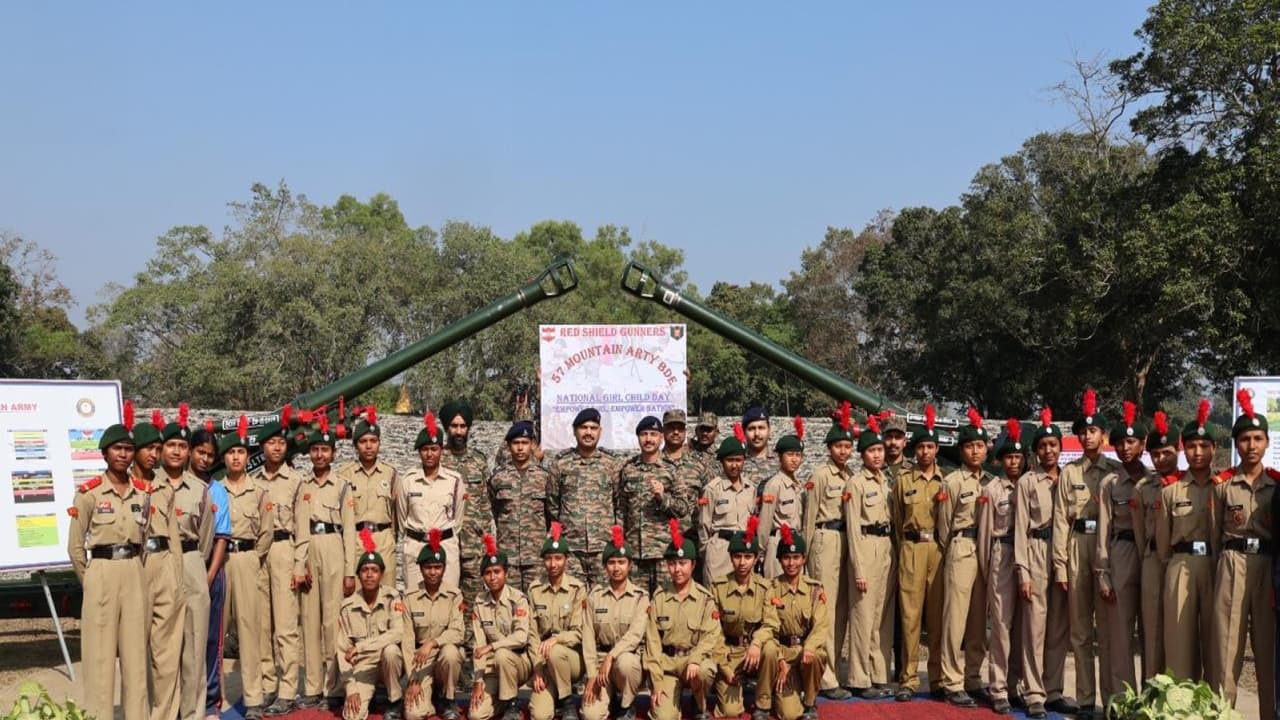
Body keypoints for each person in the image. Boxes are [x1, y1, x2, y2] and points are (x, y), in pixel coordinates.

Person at [67, 405, 148, 720]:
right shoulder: (88, 494)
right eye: (117, 448)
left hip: (133, 570)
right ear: (105, 453)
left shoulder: (142, 494)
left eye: (128, 449)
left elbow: (144, 539)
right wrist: (90, 579)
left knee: (135, 655)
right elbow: (75, 547)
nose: (124, 454)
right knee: (99, 656)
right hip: (101, 571)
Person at [1053, 390, 1118, 719]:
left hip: (1107, 550)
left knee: (1107, 632)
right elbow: (1060, 521)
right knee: (1080, 632)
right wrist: (1060, 566)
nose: (1087, 436)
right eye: (1082, 431)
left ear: (1103, 435)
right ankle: (1085, 700)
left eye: (1093, 431)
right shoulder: (1069, 472)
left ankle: (1111, 699)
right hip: (1078, 546)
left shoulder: (1116, 471)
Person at [1211, 390, 1276, 716]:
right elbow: (1213, 533)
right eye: (1245, 439)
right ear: (1236, 444)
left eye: (1257, 439)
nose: (1251, 445)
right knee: (1227, 651)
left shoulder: (1276, 485)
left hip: (1266, 567)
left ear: (1267, 443)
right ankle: (1224, 714)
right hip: (1231, 564)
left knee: (1267, 651)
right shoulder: (1222, 485)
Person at [294, 417, 357, 709]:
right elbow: (300, 528)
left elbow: (349, 531)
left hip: (333, 547)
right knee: (309, 620)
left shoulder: (342, 486)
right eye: (315, 450)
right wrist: (300, 564)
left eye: (325, 450)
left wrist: (349, 571)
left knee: (333, 620)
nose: (319, 455)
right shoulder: (303, 486)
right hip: (310, 548)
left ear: (333, 453)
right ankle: (311, 685)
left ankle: (333, 686)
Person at [1156, 398, 1218, 687]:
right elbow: (1162, 543)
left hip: (1215, 566)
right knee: (1179, 643)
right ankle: (1180, 702)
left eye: (1204, 446)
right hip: (1180, 565)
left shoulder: (1223, 487)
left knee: (1216, 642)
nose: (1198, 452)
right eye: (1192, 446)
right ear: (1184, 450)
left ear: (1214, 448)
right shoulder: (1171, 490)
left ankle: (1215, 704)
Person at [161, 406, 216, 720]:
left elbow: (206, 536)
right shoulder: (147, 486)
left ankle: (193, 711)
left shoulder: (200, 490)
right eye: (171, 445)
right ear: (162, 448)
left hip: (191, 561)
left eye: (182, 446)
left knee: (194, 644)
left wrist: (195, 563)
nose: (177, 451)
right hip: (160, 563)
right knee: (163, 644)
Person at [220, 416, 273, 719]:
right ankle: (213, 697)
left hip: (248, 560)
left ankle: (253, 697)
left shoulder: (259, 491)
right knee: (216, 631)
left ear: (247, 456)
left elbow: (266, 533)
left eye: (241, 452)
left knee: (250, 630)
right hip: (220, 561)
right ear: (224, 458)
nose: (237, 457)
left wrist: (254, 558)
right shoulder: (215, 491)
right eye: (231, 453)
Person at [134, 411, 186, 720]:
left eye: (157, 449)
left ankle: (164, 714)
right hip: (136, 567)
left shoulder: (165, 489)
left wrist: (177, 577)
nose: (154, 455)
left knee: (167, 652)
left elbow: (175, 538)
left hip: (165, 564)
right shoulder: (124, 487)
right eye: (148, 449)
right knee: (136, 651)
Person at [800, 404, 855, 700]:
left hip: (846, 541)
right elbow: (809, 517)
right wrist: (806, 555)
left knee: (842, 610)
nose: (843, 451)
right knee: (827, 610)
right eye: (838, 446)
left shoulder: (852, 476)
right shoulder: (820, 475)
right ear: (829, 448)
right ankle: (826, 675)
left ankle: (834, 667)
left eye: (847, 446)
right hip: (825, 540)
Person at [937, 407, 990, 708]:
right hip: (960, 546)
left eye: (979, 446)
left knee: (978, 620)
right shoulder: (953, 481)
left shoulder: (990, 482)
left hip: (985, 549)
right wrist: (952, 550)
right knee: (955, 619)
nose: (975, 451)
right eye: (969, 446)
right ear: (961, 450)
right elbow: (944, 526)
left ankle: (973, 677)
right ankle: (952, 681)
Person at [1097, 402, 1148, 710]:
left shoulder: (1154, 481)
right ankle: (1122, 704)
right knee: (1120, 636)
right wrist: (1103, 573)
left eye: (1131, 441)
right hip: (1121, 555)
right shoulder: (1110, 484)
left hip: (1150, 557)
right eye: (1119, 443)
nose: (1125, 448)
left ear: (1143, 444)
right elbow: (1103, 530)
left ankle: (1151, 701)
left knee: (1152, 634)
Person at [892, 405, 946, 702]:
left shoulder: (945, 481)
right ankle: (909, 678)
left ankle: (936, 678)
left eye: (930, 447)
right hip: (911, 548)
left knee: (936, 618)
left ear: (937, 449)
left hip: (936, 550)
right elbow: (897, 520)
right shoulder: (903, 481)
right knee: (910, 618)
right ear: (915, 450)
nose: (925, 452)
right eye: (921, 447)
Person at [253, 410, 304, 716]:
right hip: (259, 555)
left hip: (285, 549)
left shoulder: (296, 481)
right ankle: (267, 684)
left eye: (281, 443)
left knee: (285, 626)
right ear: (262, 447)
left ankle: (287, 690)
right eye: (271, 443)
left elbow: (303, 528)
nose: (276, 448)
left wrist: (299, 565)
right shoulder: (252, 481)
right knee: (262, 624)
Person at [645, 520, 722, 720]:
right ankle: (673, 699)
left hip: (693, 662)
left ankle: (699, 702)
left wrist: (695, 659)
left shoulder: (705, 599)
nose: (677, 569)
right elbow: (652, 643)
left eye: (682, 563)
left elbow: (711, 637)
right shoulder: (659, 598)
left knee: (704, 671)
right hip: (668, 666)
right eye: (672, 564)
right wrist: (656, 682)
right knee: (663, 717)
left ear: (693, 565)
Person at [843, 414, 894, 698]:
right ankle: (859, 678)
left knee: (880, 617)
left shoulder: (885, 481)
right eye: (871, 451)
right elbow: (852, 529)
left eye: (880, 450)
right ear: (862, 454)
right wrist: (858, 569)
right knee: (862, 617)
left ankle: (877, 674)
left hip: (885, 548)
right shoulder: (856, 483)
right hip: (865, 546)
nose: (877, 455)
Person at [710, 517, 780, 720]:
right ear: (731, 558)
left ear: (756, 559)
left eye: (748, 557)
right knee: (730, 712)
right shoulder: (718, 588)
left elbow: (771, 623)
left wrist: (756, 643)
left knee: (770, 649)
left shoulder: (765, 587)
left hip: (755, 651)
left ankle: (763, 702)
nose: (742, 562)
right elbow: (713, 631)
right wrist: (724, 667)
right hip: (730, 653)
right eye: (737, 556)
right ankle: (728, 683)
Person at [979, 419, 1026, 715]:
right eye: (1009, 457)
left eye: (1018, 457)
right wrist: (988, 570)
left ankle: (1014, 684)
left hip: (1028, 556)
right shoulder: (992, 489)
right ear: (1001, 460)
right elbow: (985, 534)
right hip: (1002, 553)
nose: (1014, 462)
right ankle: (997, 688)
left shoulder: (1030, 484)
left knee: (1023, 626)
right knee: (1001, 625)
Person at [581, 526, 650, 720]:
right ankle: (608, 698)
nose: (616, 568)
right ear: (605, 566)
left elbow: (635, 635)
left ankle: (626, 705)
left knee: (626, 663)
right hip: (600, 663)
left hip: (626, 661)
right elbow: (588, 637)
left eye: (621, 562)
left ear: (630, 565)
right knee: (590, 715)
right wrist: (592, 674)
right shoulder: (595, 596)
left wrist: (612, 656)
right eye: (611, 562)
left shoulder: (640, 597)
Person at [547, 408, 620, 587]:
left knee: (604, 597)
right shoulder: (561, 464)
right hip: (571, 547)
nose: (588, 432)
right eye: (583, 428)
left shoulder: (611, 465)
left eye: (593, 428)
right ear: (574, 431)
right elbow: (552, 503)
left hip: (603, 546)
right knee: (572, 597)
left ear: (600, 431)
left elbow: (619, 502)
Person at [617, 416, 690, 593]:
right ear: (638, 437)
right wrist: (621, 544)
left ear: (661, 437)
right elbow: (621, 509)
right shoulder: (628, 469)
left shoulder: (671, 469)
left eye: (653, 434)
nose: (648, 439)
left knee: (664, 601)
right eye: (644, 434)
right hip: (635, 553)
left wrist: (663, 498)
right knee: (637, 602)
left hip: (663, 552)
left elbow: (683, 508)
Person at [338, 531, 406, 720]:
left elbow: (398, 633)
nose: (369, 575)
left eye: (374, 570)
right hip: (363, 667)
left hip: (388, 664)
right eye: (365, 570)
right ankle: (369, 695)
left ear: (382, 574)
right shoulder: (348, 606)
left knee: (391, 651)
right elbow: (342, 650)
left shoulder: (392, 597)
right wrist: (351, 688)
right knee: (352, 716)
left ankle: (394, 701)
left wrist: (361, 647)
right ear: (358, 575)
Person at [1133, 410, 1178, 684]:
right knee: (1151, 628)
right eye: (1156, 455)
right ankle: (1151, 690)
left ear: (1177, 450)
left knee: (1180, 629)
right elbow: (1139, 532)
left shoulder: (1188, 484)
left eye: (1166, 453)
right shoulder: (1143, 488)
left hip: (1180, 560)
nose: (1161, 459)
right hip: (1151, 560)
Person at [189, 422, 231, 720]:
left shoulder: (217, 491)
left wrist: (210, 575)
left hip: (210, 572)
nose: (204, 459)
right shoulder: (172, 485)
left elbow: (222, 538)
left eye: (209, 455)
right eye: (200, 452)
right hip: (181, 571)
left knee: (211, 639)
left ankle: (210, 702)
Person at [438, 400, 494, 619]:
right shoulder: (438, 459)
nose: (459, 431)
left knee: (474, 599)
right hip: (445, 540)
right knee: (444, 596)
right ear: (447, 428)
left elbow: (486, 502)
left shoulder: (479, 461)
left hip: (474, 542)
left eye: (463, 426)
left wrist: (487, 539)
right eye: (454, 426)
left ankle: (471, 638)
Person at [402, 530, 466, 720]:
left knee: (451, 653)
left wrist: (432, 643)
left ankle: (448, 699)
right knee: (413, 715)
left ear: (444, 569)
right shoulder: (410, 597)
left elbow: (458, 632)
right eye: (428, 567)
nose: (432, 572)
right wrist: (413, 678)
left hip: (443, 655)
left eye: (437, 567)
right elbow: (407, 639)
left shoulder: (454, 595)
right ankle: (430, 697)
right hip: (420, 661)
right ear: (421, 569)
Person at [527, 523, 588, 720]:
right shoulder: (535, 590)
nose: (553, 564)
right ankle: (556, 696)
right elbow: (532, 634)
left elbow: (579, 632)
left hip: (571, 660)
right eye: (548, 559)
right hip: (544, 662)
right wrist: (537, 669)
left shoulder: (577, 589)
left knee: (555, 651)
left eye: (558, 558)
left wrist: (557, 640)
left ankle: (567, 702)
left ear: (566, 560)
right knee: (540, 714)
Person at [468, 535, 533, 720]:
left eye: (497, 571)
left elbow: (521, 637)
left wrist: (492, 646)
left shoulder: (518, 599)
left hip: (518, 663)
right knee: (476, 715)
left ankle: (512, 705)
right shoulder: (480, 602)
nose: (493, 577)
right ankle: (501, 701)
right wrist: (478, 681)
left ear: (506, 573)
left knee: (502, 654)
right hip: (493, 669)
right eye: (488, 573)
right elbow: (478, 645)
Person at [769, 524, 830, 720]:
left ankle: (810, 702)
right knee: (788, 715)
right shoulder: (771, 589)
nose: (791, 563)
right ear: (779, 560)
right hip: (783, 654)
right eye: (786, 558)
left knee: (819, 654)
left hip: (805, 653)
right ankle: (782, 691)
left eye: (796, 557)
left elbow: (821, 626)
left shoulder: (815, 590)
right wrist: (780, 660)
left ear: (804, 559)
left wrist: (809, 647)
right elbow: (768, 630)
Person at [400, 412, 465, 591]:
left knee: (448, 597)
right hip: (415, 548)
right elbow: (402, 516)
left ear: (441, 450)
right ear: (419, 452)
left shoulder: (454, 480)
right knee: (414, 598)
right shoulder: (408, 480)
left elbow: (458, 520)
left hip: (446, 546)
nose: (429, 454)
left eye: (434, 449)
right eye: (425, 449)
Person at [338, 408, 400, 588]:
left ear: (379, 443)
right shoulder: (345, 475)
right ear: (355, 445)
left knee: (387, 592)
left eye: (373, 441)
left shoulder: (390, 473)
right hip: (356, 540)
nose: (368, 446)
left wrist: (391, 538)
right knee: (356, 592)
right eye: (363, 441)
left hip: (383, 539)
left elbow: (397, 510)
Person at [489, 420, 552, 593]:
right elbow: (494, 510)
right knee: (509, 602)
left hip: (536, 555)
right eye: (516, 443)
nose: (520, 448)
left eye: (524, 443)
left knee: (538, 601)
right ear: (509, 446)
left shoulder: (544, 477)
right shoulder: (498, 478)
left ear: (532, 444)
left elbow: (551, 512)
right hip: (508, 555)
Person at [699, 424, 755, 586]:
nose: (734, 465)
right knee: (716, 592)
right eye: (730, 460)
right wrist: (708, 551)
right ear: (722, 462)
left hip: (743, 550)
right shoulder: (712, 489)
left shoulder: (750, 488)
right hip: (719, 551)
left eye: (738, 460)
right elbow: (703, 525)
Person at [759, 420, 806, 578]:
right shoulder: (774, 485)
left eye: (798, 455)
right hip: (778, 544)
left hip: (795, 544)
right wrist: (761, 552)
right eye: (790, 455)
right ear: (780, 457)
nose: (794, 459)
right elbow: (765, 522)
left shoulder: (799, 486)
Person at [661, 409, 712, 552]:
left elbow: (709, 500)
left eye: (680, 428)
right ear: (663, 431)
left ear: (685, 431)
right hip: (660, 542)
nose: (676, 432)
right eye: (671, 428)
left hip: (691, 540)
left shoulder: (699, 466)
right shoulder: (655, 463)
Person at [740, 407, 776, 491]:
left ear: (769, 430)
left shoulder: (782, 460)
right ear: (744, 432)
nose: (756, 433)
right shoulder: (737, 461)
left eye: (761, 428)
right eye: (751, 429)